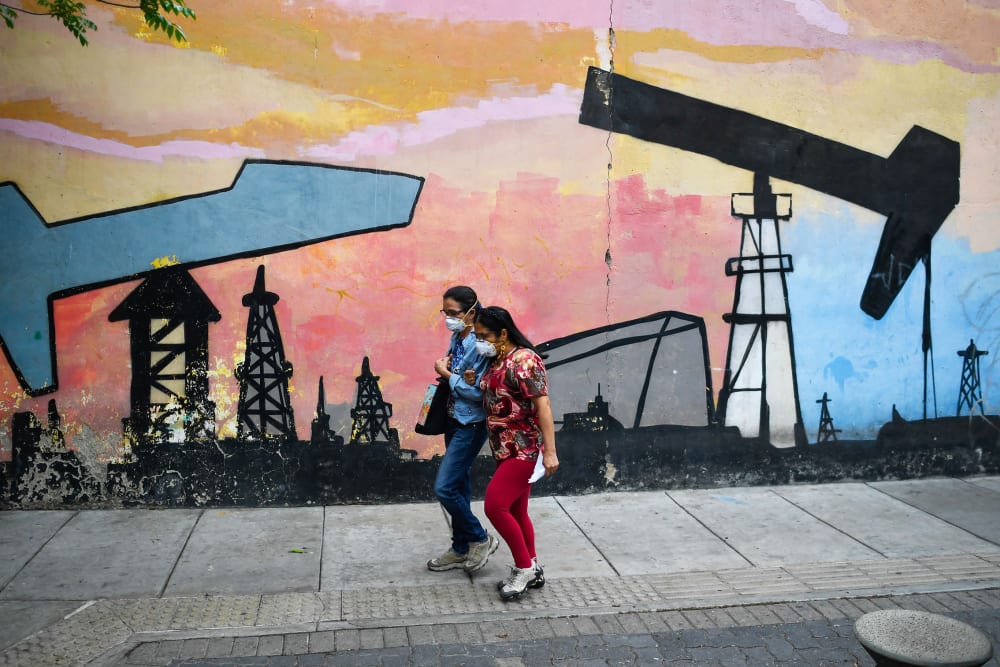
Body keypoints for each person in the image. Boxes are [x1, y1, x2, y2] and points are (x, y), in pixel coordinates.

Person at [472, 306, 559, 601]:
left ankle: (524, 568)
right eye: (477, 336)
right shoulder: (497, 360)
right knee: (517, 511)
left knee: (495, 507)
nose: (479, 341)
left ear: (503, 333)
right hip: (503, 448)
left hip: (523, 448)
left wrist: (550, 452)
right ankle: (533, 566)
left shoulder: (525, 360)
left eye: (484, 336)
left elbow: (543, 406)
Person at [426, 286, 499, 574]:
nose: (448, 318)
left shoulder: (480, 343)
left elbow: (478, 392)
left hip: (471, 423)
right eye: (445, 312)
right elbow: (461, 381)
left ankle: (480, 537)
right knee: (458, 485)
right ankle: (460, 547)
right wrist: (451, 372)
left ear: (471, 311)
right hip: (452, 418)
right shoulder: (458, 337)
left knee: (444, 487)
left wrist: (447, 374)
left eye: (453, 313)